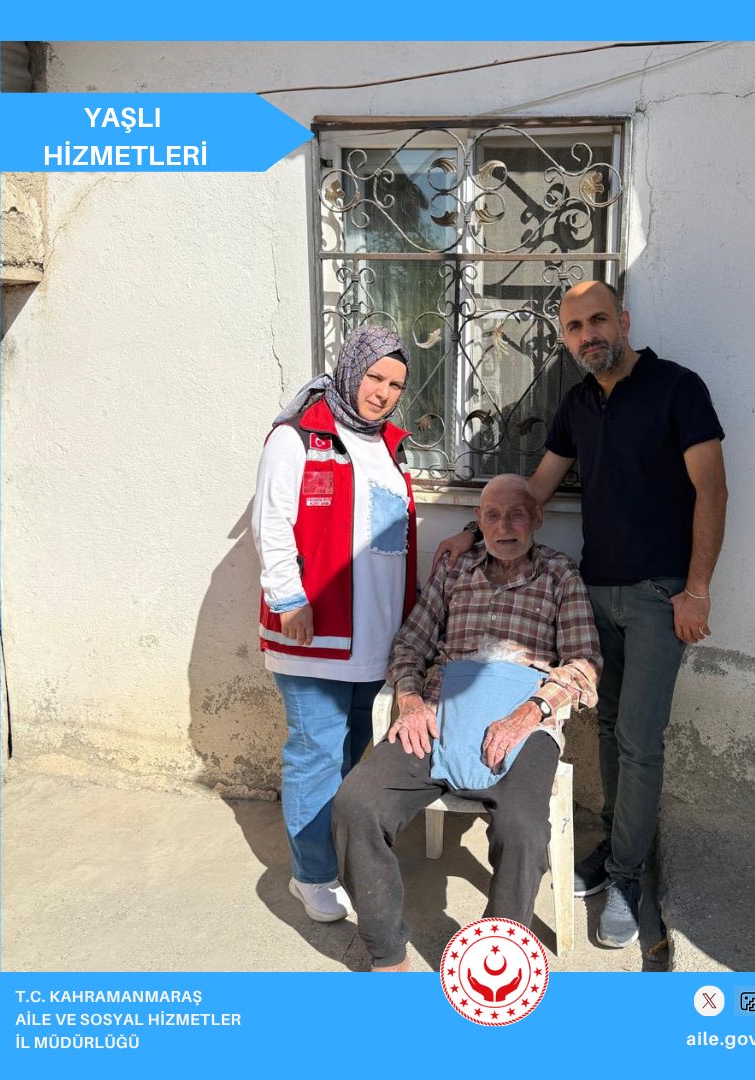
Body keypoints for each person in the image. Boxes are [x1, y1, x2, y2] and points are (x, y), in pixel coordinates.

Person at [433, 280, 727, 949]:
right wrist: (472, 534)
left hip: (660, 597)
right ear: (565, 338)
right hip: (596, 591)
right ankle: (616, 851)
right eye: (574, 327)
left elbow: (712, 491)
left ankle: (626, 875)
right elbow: (535, 490)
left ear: (623, 320)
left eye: (598, 320)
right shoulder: (577, 403)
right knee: (610, 727)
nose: (587, 335)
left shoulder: (678, 389)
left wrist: (697, 589)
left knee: (640, 741)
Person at [333, 474, 601, 971]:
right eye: (492, 516)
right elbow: (410, 644)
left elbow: (584, 663)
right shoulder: (455, 570)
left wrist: (528, 714)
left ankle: (496, 954)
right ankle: (387, 954)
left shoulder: (560, 575)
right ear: (478, 521)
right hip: (439, 710)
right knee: (357, 803)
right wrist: (410, 699)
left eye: (516, 515)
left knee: (523, 830)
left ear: (537, 519)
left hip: (522, 720)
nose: (504, 527)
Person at [253, 325, 417, 923]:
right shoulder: (298, 437)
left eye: (395, 384)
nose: (383, 393)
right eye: (375, 377)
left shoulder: (390, 445)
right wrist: (289, 599)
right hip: (313, 632)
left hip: (373, 636)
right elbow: (271, 522)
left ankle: (335, 853)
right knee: (316, 755)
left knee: (350, 755)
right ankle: (312, 876)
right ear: (350, 370)